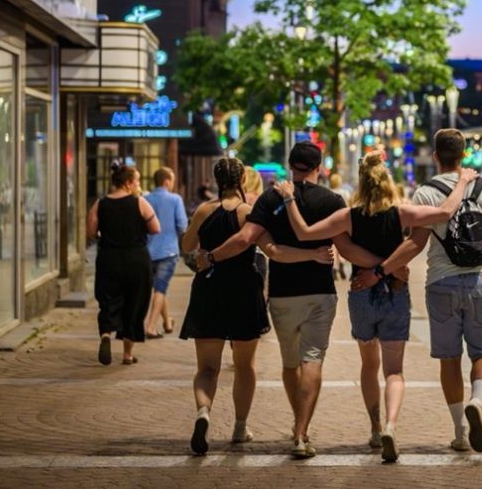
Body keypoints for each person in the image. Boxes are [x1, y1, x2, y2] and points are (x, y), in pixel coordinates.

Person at [276, 152, 478, 462]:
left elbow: (305, 233)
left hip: (361, 294)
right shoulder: (401, 213)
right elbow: (445, 212)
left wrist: (289, 199)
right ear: (388, 184)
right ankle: (390, 426)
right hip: (394, 293)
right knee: (394, 371)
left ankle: (372, 428)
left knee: (369, 366)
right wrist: (463, 180)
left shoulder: (347, 217)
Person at [197, 142, 377, 459]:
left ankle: (298, 422)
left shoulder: (270, 198)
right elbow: (346, 249)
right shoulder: (332, 200)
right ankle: (301, 431)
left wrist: (210, 256)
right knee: (313, 361)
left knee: (290, 365)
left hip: (282, 294)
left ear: (290, 165)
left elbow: (246, 239)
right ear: (319, 166)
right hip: (320, 293)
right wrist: (381, 269)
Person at [371, 129, 482, 454]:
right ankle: (478, 402)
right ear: (465, 153)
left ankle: (460, 431)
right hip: (481, 280)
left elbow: (416, 242)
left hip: (440, 282)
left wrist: (384, 269)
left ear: (436, 155)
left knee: (449, 358)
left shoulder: (425, 192)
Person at [180, 157, 333, 455]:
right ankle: (240, 426)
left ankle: (203, 412)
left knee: (207, 368)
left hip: (208, 289)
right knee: (244, 366)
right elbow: (273, 250)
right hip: (242, 291)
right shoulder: (248, 213)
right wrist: (311, 255)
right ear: (240, 181)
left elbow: (187, 246)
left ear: (215, 180)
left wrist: (202, 244)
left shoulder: (202, 210)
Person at [86, 163, 160, 365]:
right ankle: (127, 354)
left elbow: (91, 233)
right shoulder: (139, 203)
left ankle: (106, 335)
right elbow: (156, 228)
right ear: (128, 183)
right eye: (136, 180)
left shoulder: (100, 204)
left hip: (109, 258)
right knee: (135, 302)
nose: (138, 184)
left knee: (108, 299)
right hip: (136, 258)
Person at [143, 167, 188, 338]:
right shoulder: (175, 199)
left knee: (159, 288)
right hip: (168, 251)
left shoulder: (144, 199)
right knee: (160, 289)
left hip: (148, 250)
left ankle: (167, 322)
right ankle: (150, 326)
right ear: (167, 181)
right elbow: (182, 225)